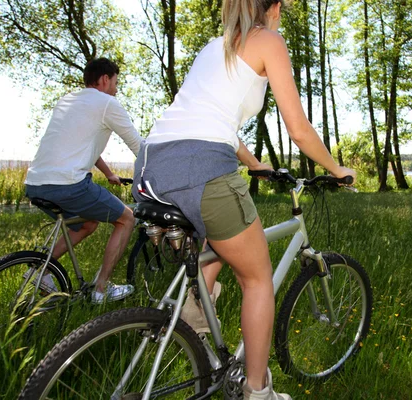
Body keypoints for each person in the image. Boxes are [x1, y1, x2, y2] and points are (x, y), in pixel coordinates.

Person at [132, 0, 356, 398]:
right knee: (256, 279)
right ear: (270, 8)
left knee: (217, 240)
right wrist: (338, 170)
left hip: (151, 166)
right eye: (281, 7)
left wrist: (254, 165)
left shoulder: (213, 47)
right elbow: (299, 130)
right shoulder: (268, 40)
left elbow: (213, 121)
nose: (281, 14)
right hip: (200, 169)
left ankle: (192, 323)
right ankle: (257, 391)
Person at [25, 57, 143, 304]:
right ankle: (101, 290)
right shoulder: (107, 103)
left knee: (87, 224)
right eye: (115, 82)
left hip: (35, 183)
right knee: (127, 218)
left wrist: (108, 173)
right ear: (104, 79)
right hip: (68, 184)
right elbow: (138, 146)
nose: (116, 88)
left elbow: (79, 143)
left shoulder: (68, 101)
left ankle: (40, 271)